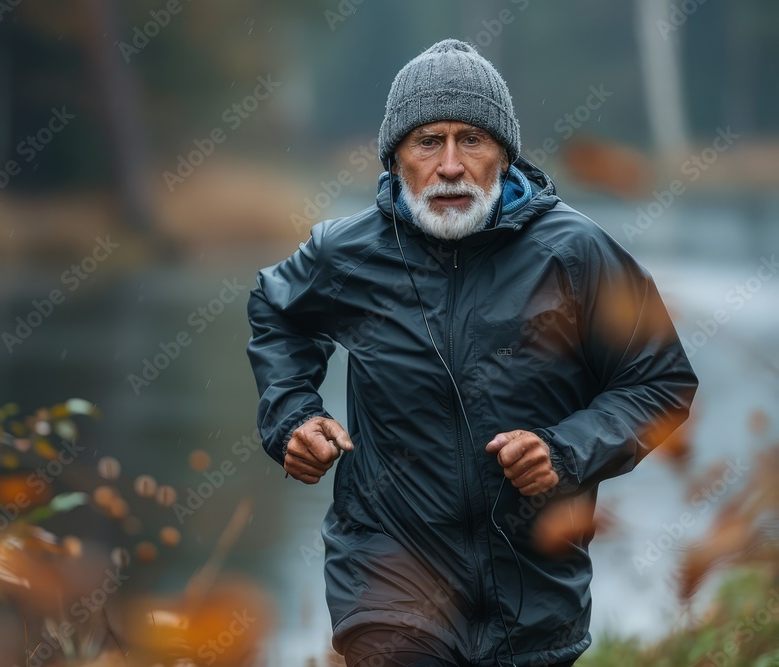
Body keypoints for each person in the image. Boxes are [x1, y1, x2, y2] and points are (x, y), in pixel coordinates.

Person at [246, 39, 697, 667]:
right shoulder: (346, 253)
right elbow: (275, 311)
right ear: (395, 156)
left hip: (534, 599)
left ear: (504, 154)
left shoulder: (575, 253)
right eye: (428, 141)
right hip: (389, 584)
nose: (450, 165)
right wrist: (293, 416)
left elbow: (661, 383)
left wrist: (567, 452)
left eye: (472, 140)